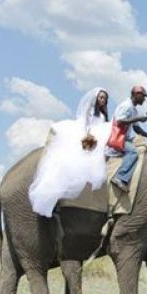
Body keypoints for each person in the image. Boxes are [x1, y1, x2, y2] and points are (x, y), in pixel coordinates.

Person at [28, 87, 112, 217]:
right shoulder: (90, 113)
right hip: (91, 138)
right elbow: (87, 127)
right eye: (101, 98)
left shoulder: (102, 115)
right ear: (95, 99)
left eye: (105, 99)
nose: (103, 101)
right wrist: (88, 137)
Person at [108, 85, 147, 192]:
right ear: (136, 94)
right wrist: (138, 118)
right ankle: (120, 177)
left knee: (146, 145)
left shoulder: (133, 110)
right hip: (118, 139)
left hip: (126, 138)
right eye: (143, 96)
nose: (144, 99)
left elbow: (137, 128)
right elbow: (119, 121)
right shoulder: (126, 106)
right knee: (133, 152)